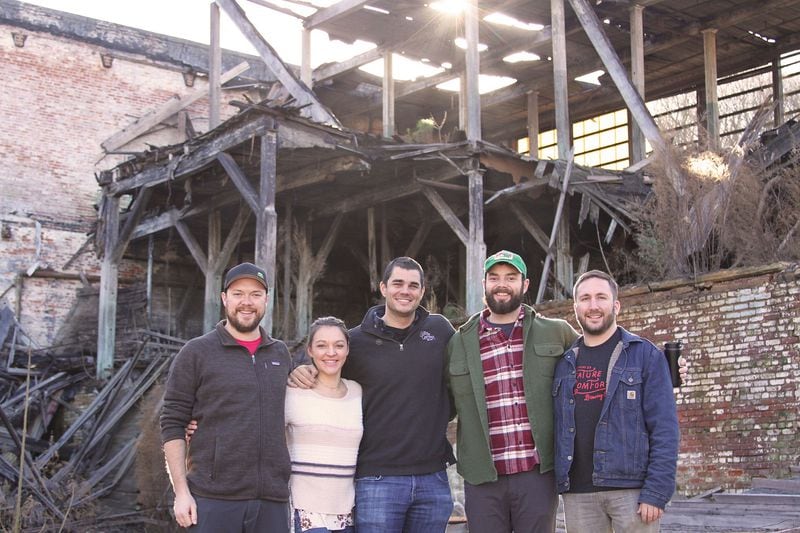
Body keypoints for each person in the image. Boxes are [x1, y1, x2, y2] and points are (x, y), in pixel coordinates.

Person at [290, 256, 455, 533]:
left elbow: (459, 379)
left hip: (433, 478)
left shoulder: (440, 330)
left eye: (413, 285)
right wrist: (298, 370)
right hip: (378, 479)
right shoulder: (355, 342)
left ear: (422, 291)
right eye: (398, 283)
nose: (405, 291)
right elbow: (326, 363)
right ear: (383, 287)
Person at [446, 250, 579, 533]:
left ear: (525, 284)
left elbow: (600, 360)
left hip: (537, 475)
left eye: (511, 277)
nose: (502, 284)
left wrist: (662, 365)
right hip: (483, 478)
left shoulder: (557, 332)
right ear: (484, 284)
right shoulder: (459, 343)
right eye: (494, 277)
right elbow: (436, 400)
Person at [160, 262, 292, 532]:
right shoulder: (196, 352)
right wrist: (181, 492)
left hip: (272, 501)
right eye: (238, 293)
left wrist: (307, 373)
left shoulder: (280, 354)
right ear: (224, 298)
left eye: (255, 294)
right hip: (212, 500)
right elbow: (172, 423)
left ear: (266, 300)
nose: (247, 302)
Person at [553, 270, 679, 532]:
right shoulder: (564, 362)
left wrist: (656, 492)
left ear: (616, 305)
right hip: (578, 493)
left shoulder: (644, 355)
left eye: (601, 297)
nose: (594, 306)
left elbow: (665, 430)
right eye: (585, 299)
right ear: (575, 307)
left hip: (631, 493)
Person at [285, 316, 363, 533]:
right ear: (310, 350)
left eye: (339, 345)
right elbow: (262, 431)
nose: (331, 352)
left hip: (347, 512)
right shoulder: (292, 392)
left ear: (347, 349)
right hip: (306, 511)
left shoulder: (358, 391)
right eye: (321, 345)